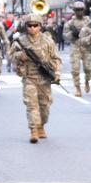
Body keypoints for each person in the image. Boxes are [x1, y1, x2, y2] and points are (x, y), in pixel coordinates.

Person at [10, 14, 61, 144]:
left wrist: (55, 72)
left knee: (44, 107)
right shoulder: (21, 41)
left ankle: (41, 126)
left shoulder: (48, 41)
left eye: (35, 25)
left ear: (40, 26)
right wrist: (20, 56)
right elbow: (10, 56)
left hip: (44, 78)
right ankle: (33, 130)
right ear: (26, 27)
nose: (32, 28)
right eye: (29, 26)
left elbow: (57, 59)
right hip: (29, 78)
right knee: (31, 105)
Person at [64, 2, 91, 97]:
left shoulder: (88, 21)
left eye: (81, 10)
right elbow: (65, 36)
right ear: (74, 11)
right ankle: (78, 88)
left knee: (88, 68)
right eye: (77, 10)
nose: (79, 12)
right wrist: (72, 33)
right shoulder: (70, 23)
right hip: (75, 47)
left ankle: (87, 81)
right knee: (75, 69)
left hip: (86, 47)